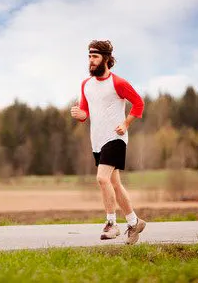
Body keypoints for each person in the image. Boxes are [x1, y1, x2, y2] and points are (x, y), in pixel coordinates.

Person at [70, 39, 146, 244]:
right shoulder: (86, 85)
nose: (91, 61)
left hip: (116, 137)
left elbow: (138, 103)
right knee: (114, 183)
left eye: (94, 57)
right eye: (89, 57)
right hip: (97, 140)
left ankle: (111, 224)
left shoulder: (118, 83)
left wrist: (126, 123)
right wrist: (79, 114)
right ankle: (134, 222)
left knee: (102, 179)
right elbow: (85, 113)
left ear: (106, 59)